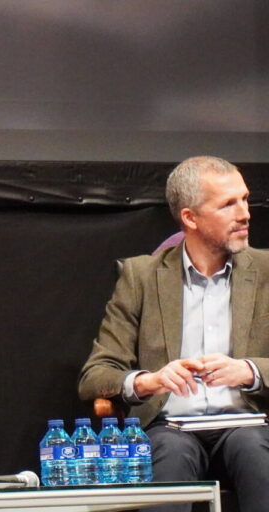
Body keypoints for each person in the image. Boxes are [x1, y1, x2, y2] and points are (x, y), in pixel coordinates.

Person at [79, 156, 269, 512]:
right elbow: (96, 375)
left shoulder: (267, 271)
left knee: (253, 449)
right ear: (190, 218)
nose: (245, 213)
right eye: (228, 204)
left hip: (251, 423)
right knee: (169, 452)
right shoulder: (141, 277)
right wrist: (149, 381)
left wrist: (250, 371)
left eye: (244, 199)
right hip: (171, 426)